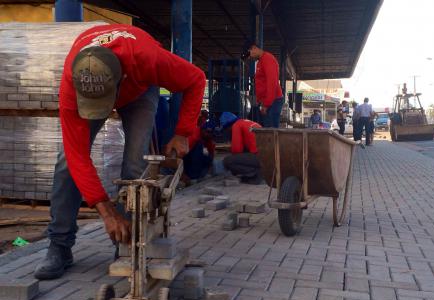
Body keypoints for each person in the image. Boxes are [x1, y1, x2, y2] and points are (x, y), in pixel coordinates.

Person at [34, 24, 206, 280]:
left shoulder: (148, 58)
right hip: (95, 88)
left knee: (135, 167)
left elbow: (196, 79)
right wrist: (107, 213)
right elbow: (78, 157)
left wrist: (183, 132)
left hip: (139, 91)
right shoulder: (73, 82)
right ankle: (59, 245)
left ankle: (127, 246)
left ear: (121, 78)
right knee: (66, 163)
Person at [242, 42, 283, 128]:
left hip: (273, 101)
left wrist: (266, 104)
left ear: (254, 48)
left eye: (249, 54)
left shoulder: (267, 59)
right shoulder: (261, 61)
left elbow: (272, 82)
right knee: (267, 131)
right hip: (269, 102)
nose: (250, 58)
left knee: (270, 132)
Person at [221, 112, 262, 184]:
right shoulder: (245, 122)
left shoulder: (236, 126)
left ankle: (255, 174)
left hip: (259, 156)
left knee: (227, 161)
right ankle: (258, 171)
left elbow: (237, 150)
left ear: (228, 126)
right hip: (266, 155)